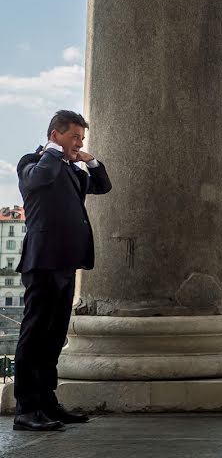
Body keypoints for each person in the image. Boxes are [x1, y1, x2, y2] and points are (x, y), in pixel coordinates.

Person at [13, 110, 112, 431]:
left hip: (67, 261)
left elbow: (102, 185)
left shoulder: (71, 171)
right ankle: (27, 410)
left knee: (54, 336)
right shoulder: (32, 163)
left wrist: (90, 159)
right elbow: (38, 179)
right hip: (42, 261)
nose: (78, 143)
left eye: (82, 138)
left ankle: (48, 403)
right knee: (34, 335)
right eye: (74, 137)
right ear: (55, 134)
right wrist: (55, 152)